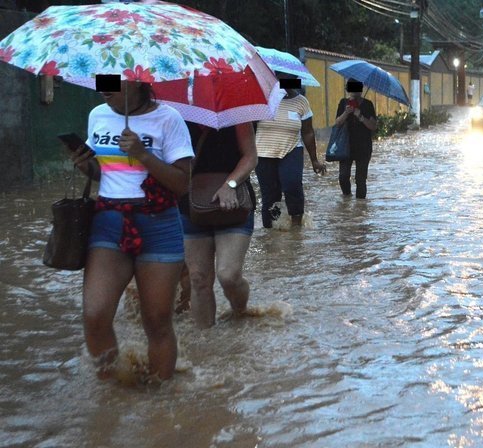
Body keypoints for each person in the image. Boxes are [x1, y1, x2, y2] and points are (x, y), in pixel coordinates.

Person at [67, 81, 194, 382]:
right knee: (95, 316)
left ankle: (159, 403)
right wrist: (87, 167)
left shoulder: (169, 118)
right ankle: (115, 393)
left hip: (159, 224)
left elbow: (182, 184)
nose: (104, 89)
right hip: (108, 222)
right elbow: (105, 173)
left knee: (157, 321)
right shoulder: (98, 115)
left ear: (137, 82)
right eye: (100, 81)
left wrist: (143, 154)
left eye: (112, 82)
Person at [179, 122, 258, 328]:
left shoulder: (236, 115)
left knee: (228, 275)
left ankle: (240, 312)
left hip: (234, 204)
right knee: (198, 279)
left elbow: (251, 157)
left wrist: (229, 184)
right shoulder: (175, 117)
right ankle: (206, 345)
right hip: (191, 205)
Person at [255, 73, 326, 228]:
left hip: (291, 150)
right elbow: (250, 127)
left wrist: (314, 160)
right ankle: (271, 231)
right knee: (270, 196)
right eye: (281, 77)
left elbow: (308, 132)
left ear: (295, 79)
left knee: (292, 185)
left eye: (290, 78)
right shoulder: (262, 98)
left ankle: (296, 229)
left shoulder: (301, 102)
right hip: (263, 153)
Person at [334, 79, 377, 199]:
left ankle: (360, 206)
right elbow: (337, 123)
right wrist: (346, 113)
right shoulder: (343, 103)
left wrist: (361, 117)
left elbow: (373, 126)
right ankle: (346, 198)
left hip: (363, 147)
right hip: (345, 146)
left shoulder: (368, 105)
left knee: (360, 179)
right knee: (343, 176)